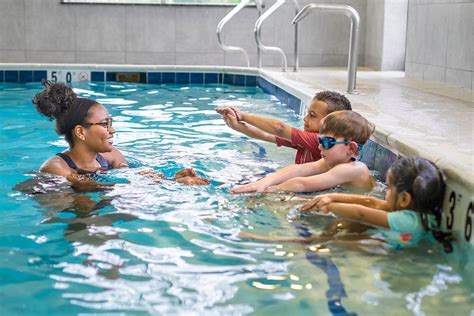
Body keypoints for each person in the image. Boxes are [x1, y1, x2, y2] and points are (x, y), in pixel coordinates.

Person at [240, 157, 453, 253]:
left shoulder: (407, 221)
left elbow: (361, 213)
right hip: (394, 238)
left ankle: (284, 241)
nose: (385, 192)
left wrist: (330, 207)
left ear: (405, 200)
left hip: (386, 248)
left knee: (340, 240)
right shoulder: (419, 214)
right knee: (344, 228)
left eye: (388, 188)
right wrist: (333, 197)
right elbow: (371, 201)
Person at [33, 81, 209, 187]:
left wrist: (170, 179)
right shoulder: (56, 168)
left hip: (100, 203)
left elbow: (134, 178)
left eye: (111, 123)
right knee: (79, 201)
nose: (112, 130)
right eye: (104, 124)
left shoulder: (111, 156)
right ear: (80, 132)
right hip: (71, 212)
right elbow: (92, 187)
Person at [231, 110, 374, 193]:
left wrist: (270, 191)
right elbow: (297, 170)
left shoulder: (354, 169)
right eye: (319, 141)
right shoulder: (329, 162)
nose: (319, 147)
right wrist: (263, 182)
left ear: (351, 148)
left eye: (326, 143)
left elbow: (301, 184)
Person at [216, 91, 352, 164]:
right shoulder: (306, 142)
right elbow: (265, 135)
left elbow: (279, 128)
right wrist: (236, 125)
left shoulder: (318, 141)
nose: (305, 119)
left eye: (312, 115)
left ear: (331, 122)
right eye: (307, 113)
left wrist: (242, 116)